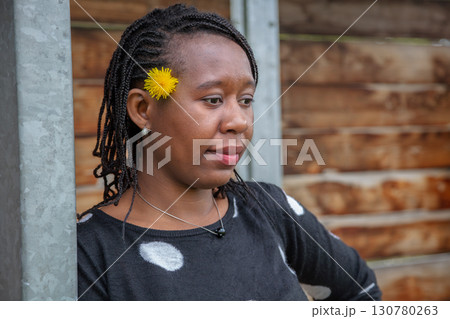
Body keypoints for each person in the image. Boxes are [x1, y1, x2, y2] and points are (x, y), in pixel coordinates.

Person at [77, 4, 382, 301]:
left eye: (246, 100)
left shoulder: (268, 211)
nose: (239, 120)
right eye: (212, 99)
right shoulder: (88, 252)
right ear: (143, 109)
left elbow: (360, 289)